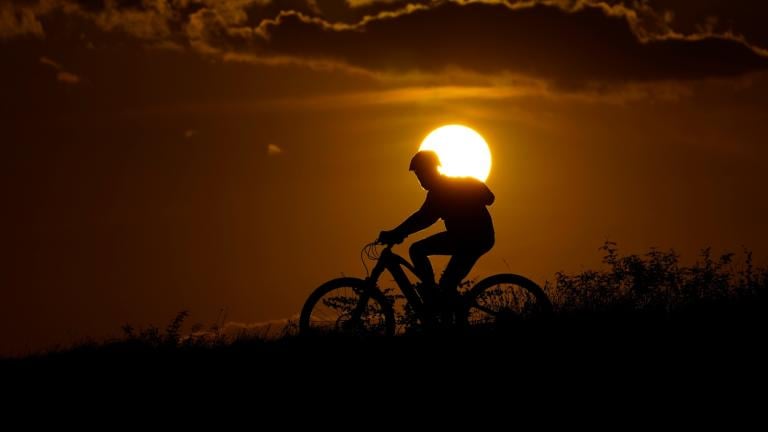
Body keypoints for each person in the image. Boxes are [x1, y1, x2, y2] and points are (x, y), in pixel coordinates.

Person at [378, 150, 496, 320]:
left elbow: (489, 198)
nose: (420, 179)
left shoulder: (450, 187)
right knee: (445, 285)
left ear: (432, 170)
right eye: (418, 175)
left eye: (421, 173)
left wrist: (396, 233)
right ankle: (442, 305)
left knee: (418, 251)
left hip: (474, 238)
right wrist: (398, 233)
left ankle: (431, 294)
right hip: (465, 238)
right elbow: (422, 218)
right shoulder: (438, 193)